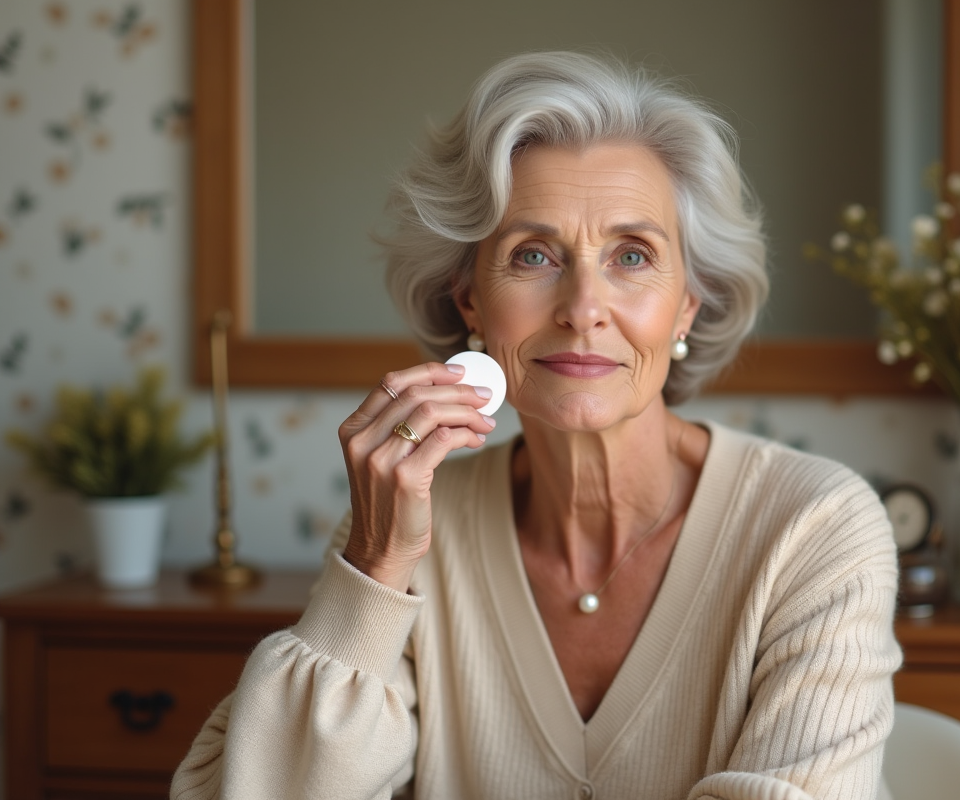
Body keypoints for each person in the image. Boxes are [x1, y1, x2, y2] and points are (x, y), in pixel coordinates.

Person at [172, 51, 901, 800]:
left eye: (631, 255)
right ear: (470, 304)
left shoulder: (815, 528)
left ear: (687, 304)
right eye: (533, 254)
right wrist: (373, 566)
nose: (583, 306)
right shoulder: (406, 534)